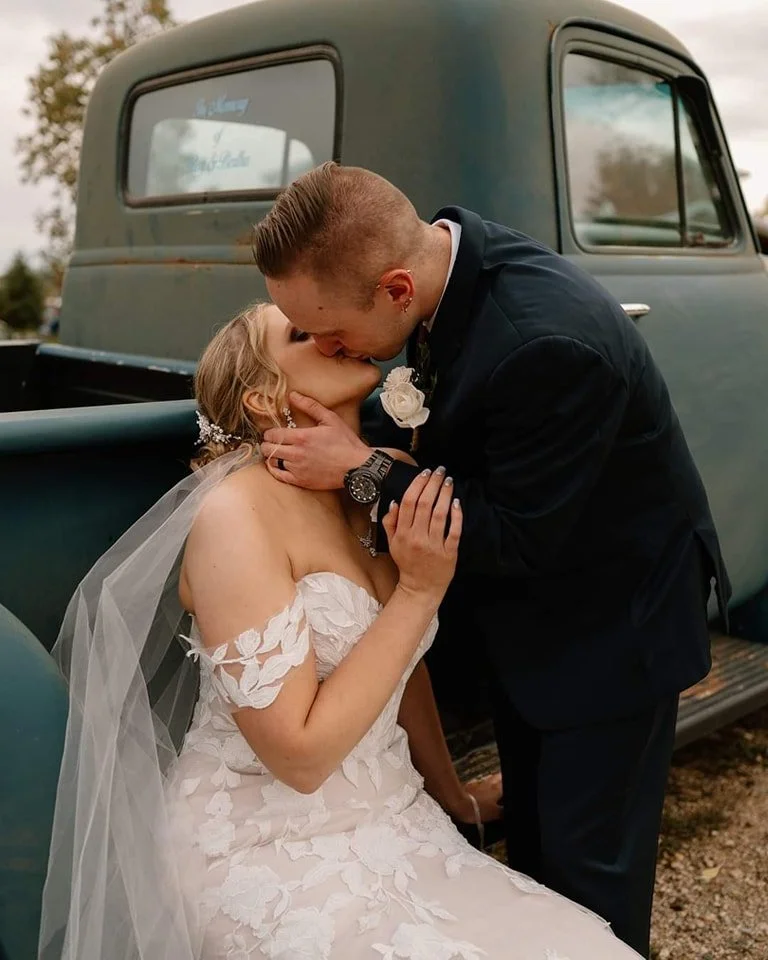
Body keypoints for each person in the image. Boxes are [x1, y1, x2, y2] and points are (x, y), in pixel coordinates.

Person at [39, 303, 642, 960]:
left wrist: (454, 793)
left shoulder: (377, 474)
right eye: (303, 334)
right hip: (264, 850)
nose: (331, 332)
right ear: (265, 398)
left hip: (397, 822)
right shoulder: (237, 518)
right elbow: (298, 757)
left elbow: (400, 668)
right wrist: (418, 591)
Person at [252, 162, 732, 958]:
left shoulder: (545, 344)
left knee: (587, 894)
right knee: (533, 876)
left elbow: (513, 534)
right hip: (536, 626)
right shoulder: (450, 259)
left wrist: (361, 469)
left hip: (608, 634)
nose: (329, 348)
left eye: (330, 331)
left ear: (398, 289)